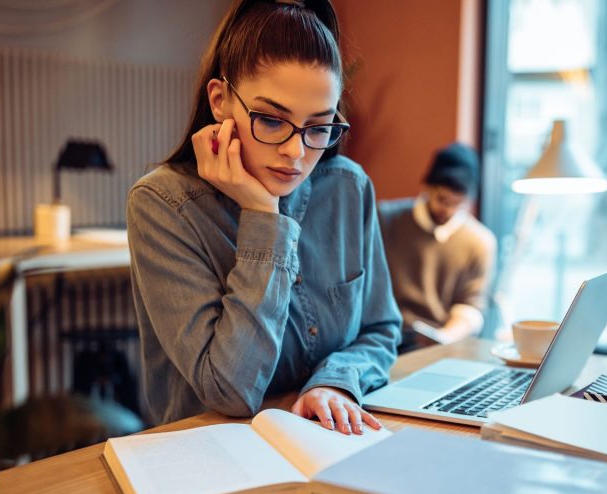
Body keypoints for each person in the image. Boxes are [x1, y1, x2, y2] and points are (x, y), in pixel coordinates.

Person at [126, 0, 401, 433]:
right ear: (220, 100)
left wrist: (335, 383)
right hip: (210, 460)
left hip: (329, 440)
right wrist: (262, 217)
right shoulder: (163, 203)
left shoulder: (349, 187)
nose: (296, 152)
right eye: (272, 121)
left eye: (319, 127)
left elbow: (381, 329)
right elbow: (230, 391)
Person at [378, 143, 496, 353]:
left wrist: (443, 338)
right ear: (427, 187)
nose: (448, 209)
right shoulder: (385, 220)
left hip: (442, 345)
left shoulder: (479, 242)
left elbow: (470, 306)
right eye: (442, 199)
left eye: (458, 203)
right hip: (384, 340)